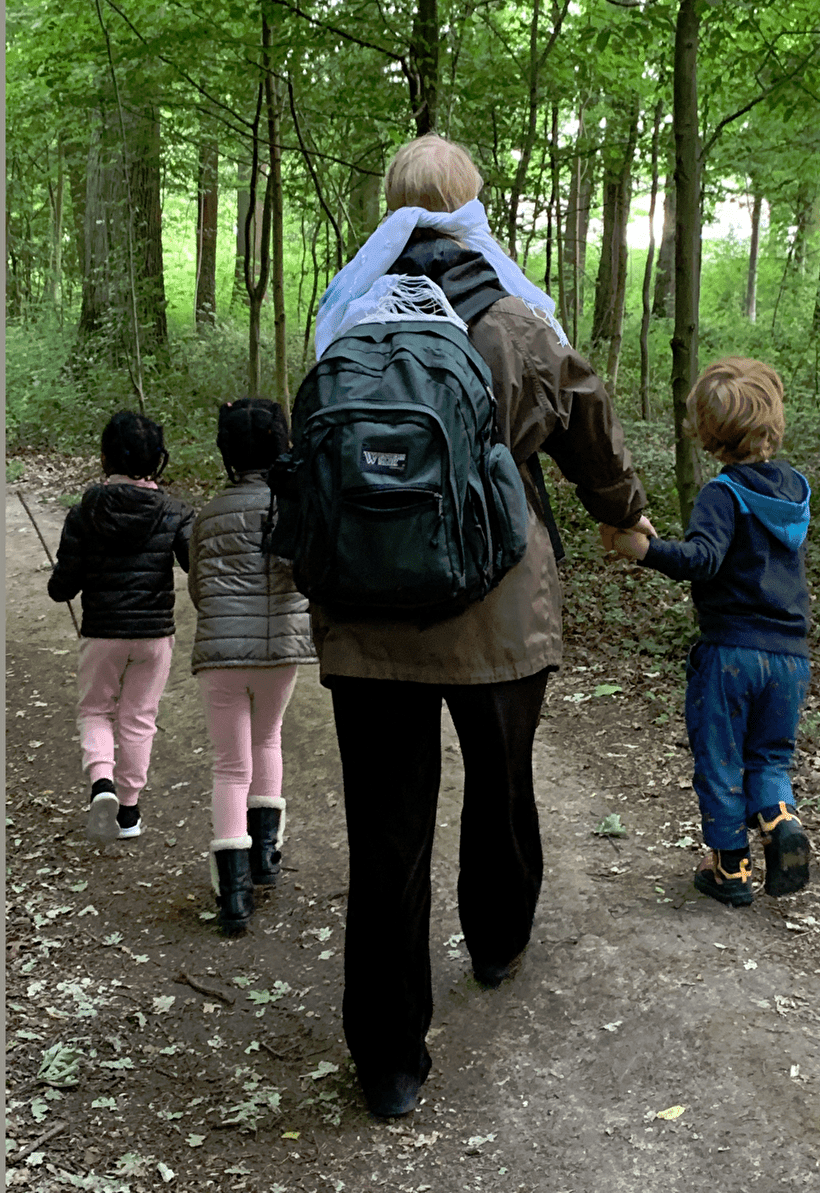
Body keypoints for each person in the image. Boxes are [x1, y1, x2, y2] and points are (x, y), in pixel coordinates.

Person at [306, 134, 654, 1118]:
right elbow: (589, 426)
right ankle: (497, 941)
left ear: (390, 206)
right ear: (472, 208)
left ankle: (389, 1062)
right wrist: (623, 515)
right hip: (500, 605)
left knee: (386, 832)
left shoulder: (346, 313)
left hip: (366, 613)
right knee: (501, 787)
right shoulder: (516, 318)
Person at [605, 357, 814, 907]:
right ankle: (780, 819)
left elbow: (703, 559)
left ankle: (730, 868)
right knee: (769, 756)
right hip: (791, 657)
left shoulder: (723, 493)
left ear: (707, 433)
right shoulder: (794, 491)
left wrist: (644, 550)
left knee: (721, 758)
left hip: (731, 655)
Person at [188, 399, 316, 935]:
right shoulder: (294, 505)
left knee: (229, 764)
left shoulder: (208, 514)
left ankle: (234, 897)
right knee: (268, 739)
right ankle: (265, 858)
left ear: (226, 452)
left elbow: (198, 589)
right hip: (280, 650)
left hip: (222, 654)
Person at [47, 410, 194, 844]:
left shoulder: (85, 511)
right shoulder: (175, 511)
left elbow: (62, 587)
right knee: (139, 718)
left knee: (96, 710)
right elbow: (195, 565)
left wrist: (60, 580)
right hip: (154, 636)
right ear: (158, 460)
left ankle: (101, 785)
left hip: (102, 633)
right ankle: (128, 811)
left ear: (105, 457)